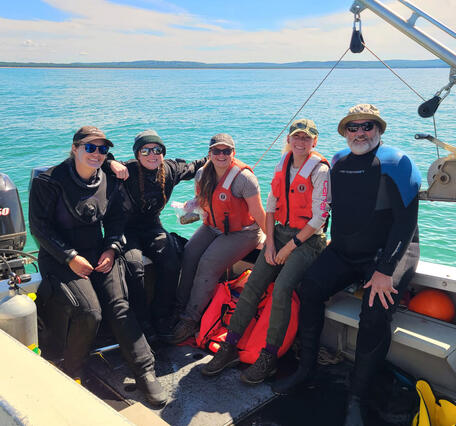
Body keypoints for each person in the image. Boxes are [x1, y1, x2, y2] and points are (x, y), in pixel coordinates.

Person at [272, 105, 421, 426]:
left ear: (379, 129)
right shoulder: (337, 161)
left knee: (374, 311)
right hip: (344, 251)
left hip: (389, 253)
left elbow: (407, 222)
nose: (360, 133)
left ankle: (357, 396)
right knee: (308, 288)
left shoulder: (397, 163)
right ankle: (306, 368)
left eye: (367, 126)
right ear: (344, 133)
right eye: (352, 128)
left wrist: (385, 269)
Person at [30, 126, 167, 407]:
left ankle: (145, 371)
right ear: (75, 148)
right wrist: (70, 257)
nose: (96, 153)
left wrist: (111, 248)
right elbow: (39, 229)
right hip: (59, 257)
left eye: (102, 149)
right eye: (90, 147)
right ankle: (72, 370)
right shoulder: (49, 181)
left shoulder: (108, 179)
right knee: (89, 311)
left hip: (98, 252)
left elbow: (116, 221)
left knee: (120, 305)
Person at [200, 119, 330, 384]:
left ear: (314, 142)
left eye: (307, 138)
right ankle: (230, 347)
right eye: (296, 137)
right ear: (290, 140)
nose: (301, 142)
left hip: (308, 240)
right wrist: (270, 243)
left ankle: (269, 357)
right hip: (280, 234)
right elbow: (270, 207)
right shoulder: (282, 163)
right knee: (253, 284)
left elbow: (319, 218)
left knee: (282, 287)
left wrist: (289, 248)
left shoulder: (320, 170)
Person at [108, 130, 207, 339]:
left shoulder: (170, 168)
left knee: (171, 262)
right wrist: (110, 162)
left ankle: (162, 316)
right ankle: (141, 321)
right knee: (134, 267)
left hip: (153, 226)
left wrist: (223, 156)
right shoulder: (126, 171)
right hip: (128, 229)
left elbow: (198, 165)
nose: (152, 154)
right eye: (145, 150)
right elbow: (92, 164)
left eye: (157, 149)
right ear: (137, 154)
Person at [170, 133, 267, 344]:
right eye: (217, 151)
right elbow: (203, 200)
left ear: (234, 153)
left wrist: (272, 240)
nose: (221, 155)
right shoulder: (202, 174)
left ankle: (190, 319)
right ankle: (179, 306)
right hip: (212, 227)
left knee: (208, 263)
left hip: (244, 232)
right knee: (189, 254)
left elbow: (258, 213)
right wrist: (190, 207)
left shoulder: (244, 178)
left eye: (226, 151)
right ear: (209, 153)